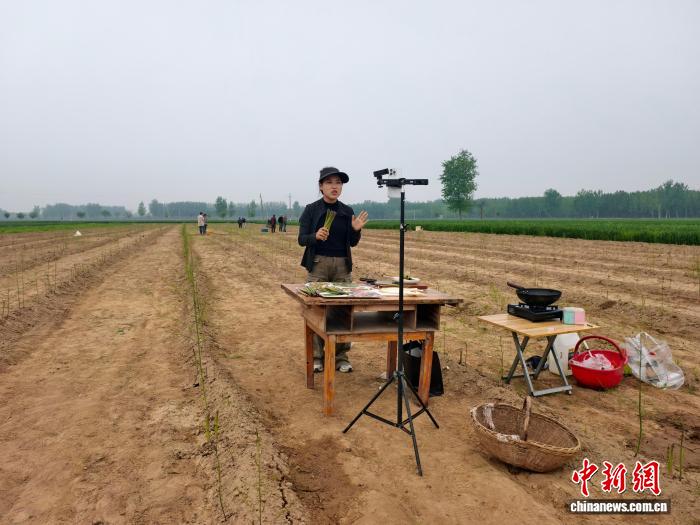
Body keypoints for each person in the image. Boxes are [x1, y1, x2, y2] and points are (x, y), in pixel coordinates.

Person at [298, 166, 369, 373]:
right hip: (318, 265)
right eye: (329, 182)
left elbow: (352, 242)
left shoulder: (347, 211)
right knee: (316, 311)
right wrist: (315, 236)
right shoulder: (311, 209)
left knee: (342, 312)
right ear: (321, 186)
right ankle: (317, 357)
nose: (334, 186)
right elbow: (302, 239)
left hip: (342, 267)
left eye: (338, 182)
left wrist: (356, 230)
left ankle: (341, 357)